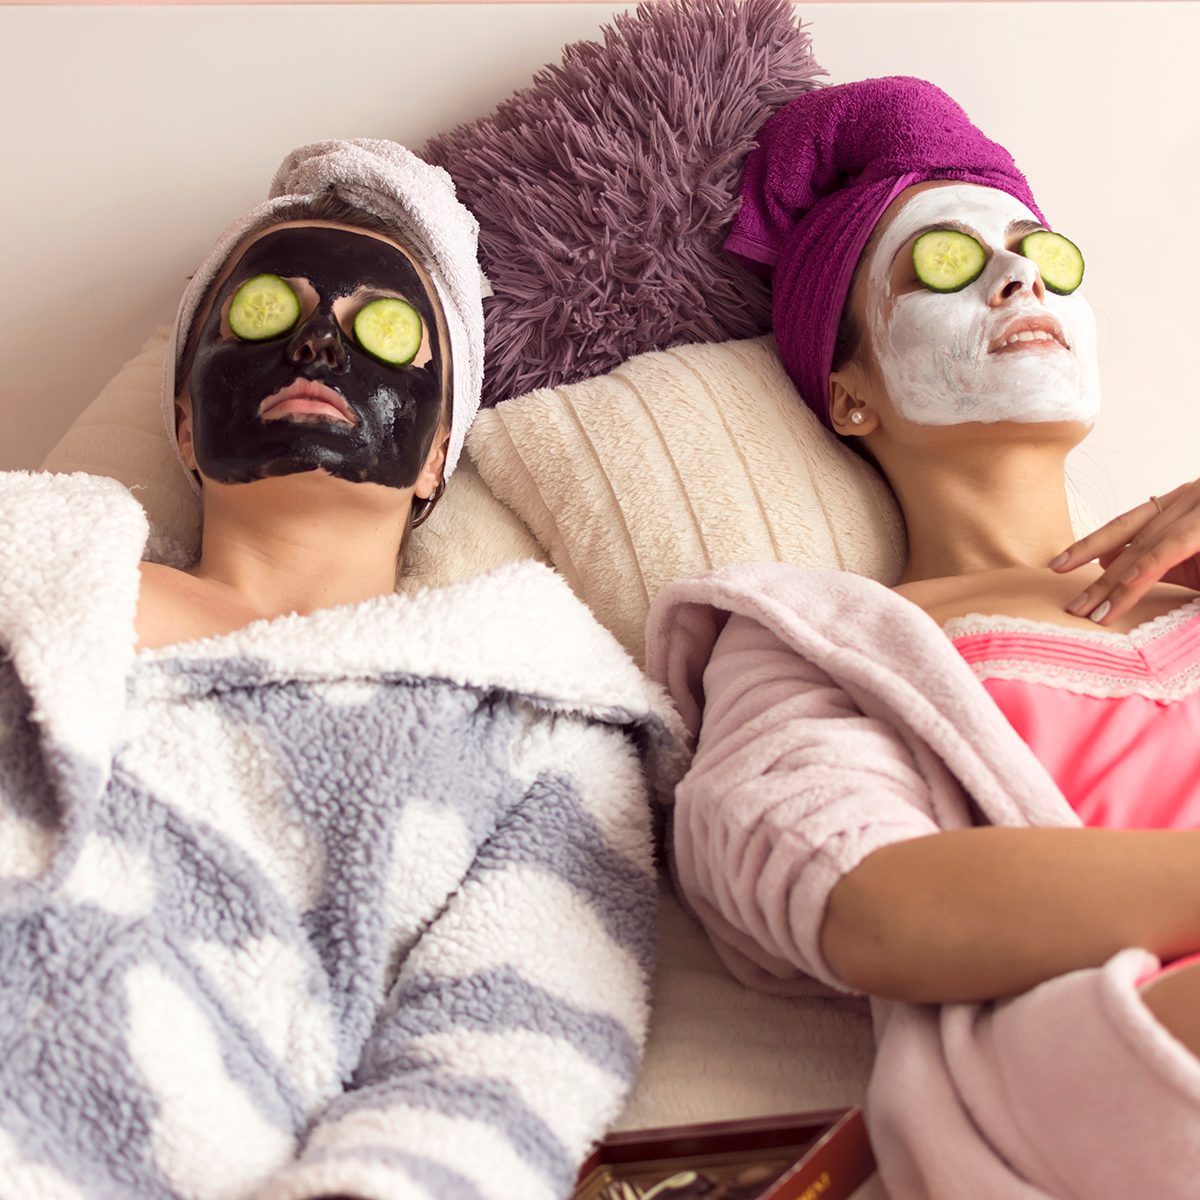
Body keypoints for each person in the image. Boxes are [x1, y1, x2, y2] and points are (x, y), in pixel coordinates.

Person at [0, 139, 682, 1200]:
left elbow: (501, 1066)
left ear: (436, 452)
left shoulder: (537, 715)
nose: (317, 342)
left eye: (383, 330)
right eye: (266, 312)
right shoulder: (29, 560)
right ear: (184, 421)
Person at [645, 78, 1200, 1200]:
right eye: (944, 264)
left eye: (1043, 255)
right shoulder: (821, 641)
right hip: (1106, 1067)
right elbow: (870, 905)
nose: (1020, 277)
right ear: (850, 394)